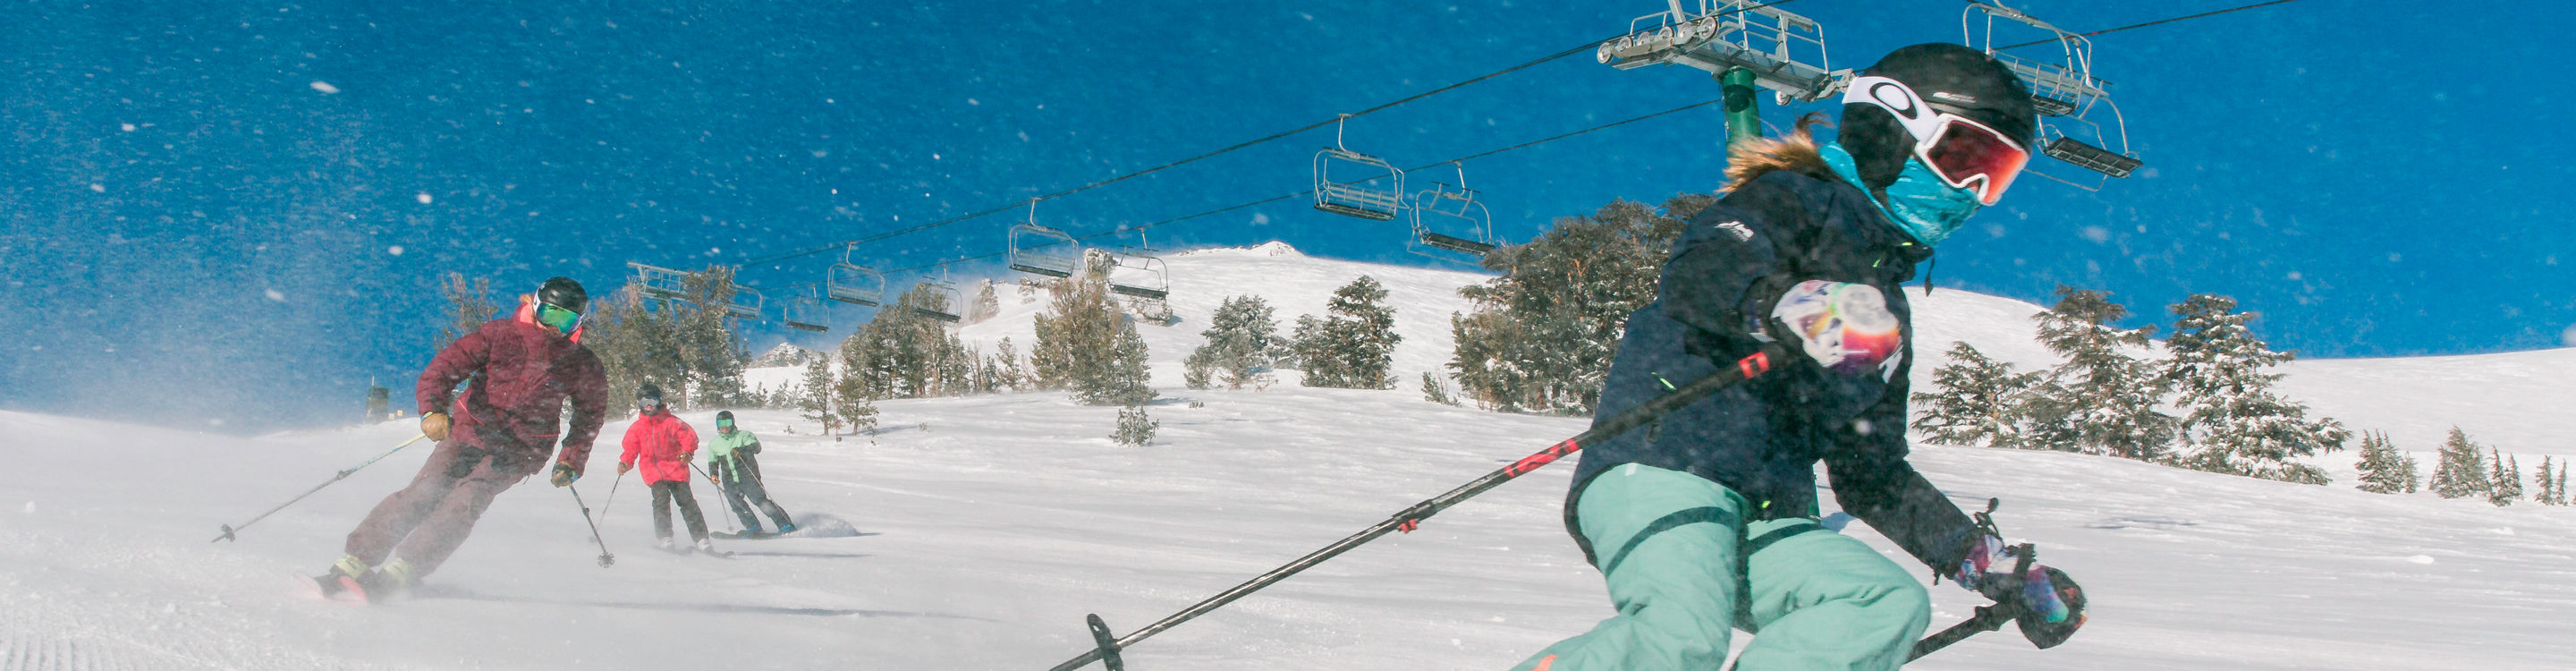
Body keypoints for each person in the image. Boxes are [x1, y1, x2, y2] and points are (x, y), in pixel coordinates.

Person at [1511, 44, 2086, 671]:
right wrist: (1792, 305)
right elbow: (1702, 272)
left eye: (1995, 175)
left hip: (1766, 514)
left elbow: (1871, 474)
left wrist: (1986, 564)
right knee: (1677, 637)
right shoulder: (1792, 200)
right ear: (1893, 131)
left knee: (1881, 603)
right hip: (1663, 466)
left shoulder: (1885, 312)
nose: (1973, 192)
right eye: (1962, 160)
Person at [318, 276, 607, 599]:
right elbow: (444, 368)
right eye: (550, 314)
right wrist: (432, 411)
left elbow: (589, 417)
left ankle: (405, 569)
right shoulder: (501, 334)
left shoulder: (582, 364)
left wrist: (570, 460)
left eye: (566, 320)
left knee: (465, 501)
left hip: (520, 448)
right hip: (470, 429)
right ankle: (354, 561)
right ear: (536, 306)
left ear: (577, 323)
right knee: (423, 492)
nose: (555, 327)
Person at [620, 383, 716, 553]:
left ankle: (701, 539)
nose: (648, 406)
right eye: (644, 402)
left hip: (676, 469)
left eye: (652, 400)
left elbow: (689, 437)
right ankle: (665, 537)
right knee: (661, 502)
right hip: (653, 471)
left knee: (687, 503)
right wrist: (626, 462)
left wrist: (687, 452)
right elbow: (630, 448)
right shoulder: (638, 427)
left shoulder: (672, 422)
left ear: (660, 401)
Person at [705, 410, 799, 535]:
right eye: (721, 423)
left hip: (748, 475)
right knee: (736, 504)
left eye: (727, 422)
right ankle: (753, 527)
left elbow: (757, 448)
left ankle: (785, 524)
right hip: (729, 479)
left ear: (733, 422)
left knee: (760, 501)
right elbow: (713, 462)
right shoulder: (714, 444)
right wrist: (714, 475)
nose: (724, 426)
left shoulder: (744, 436)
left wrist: (742, 450)